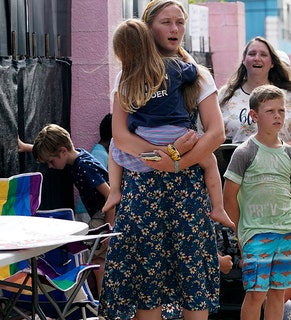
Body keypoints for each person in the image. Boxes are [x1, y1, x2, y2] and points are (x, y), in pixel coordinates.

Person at [99, 1, 230, 319]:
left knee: (193, 289)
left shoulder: (195, 74)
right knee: (148, 290)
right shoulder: (127, 76)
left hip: (187, 193)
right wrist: (162, 156)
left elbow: (216, 134)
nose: (175, 29)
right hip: (143, 193)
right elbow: (121, 136)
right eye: (167, 22)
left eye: (180, 23)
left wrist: (175, 163)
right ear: (147, 28)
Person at [100, 18, 233, 228]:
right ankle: (218, 207)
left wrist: (162, 151)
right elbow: (193, 70)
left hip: (144, 140)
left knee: (115, 148)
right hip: (178, 135)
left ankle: (114, 190)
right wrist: (184, 53)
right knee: (210, 162)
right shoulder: (172, 66)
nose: (174, 28)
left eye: (179, 22)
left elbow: (120, 135)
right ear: (149, 38)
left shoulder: (126, 79)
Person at [223, 85, 291, 320]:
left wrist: (287, 225)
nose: (278, 115)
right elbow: (229, 196)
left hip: (285, 233)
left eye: (281, 110)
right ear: (254, 115)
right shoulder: (244, 152)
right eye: (270, 111)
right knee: (256, 293)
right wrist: (240, 234)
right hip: (255, 234)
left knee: (279, 293)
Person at [23, 123, 114, 296]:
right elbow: (53, 148)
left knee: (82, 254)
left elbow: (111, 195)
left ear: (63, 151)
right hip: (100, 212)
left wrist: (109, 229)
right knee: (97, 259)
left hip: (103, 214)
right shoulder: (76, 155)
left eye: (50, 161)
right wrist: (27, 147)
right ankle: (103, 300)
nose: (50, 166)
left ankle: (88, 298)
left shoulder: (84, 166)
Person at [219, 36, 291, 152]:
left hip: (278, 167)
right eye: (252, 54)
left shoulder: (289, 97)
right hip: (236, 166)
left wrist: (278, 151)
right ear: (244, 60)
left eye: (263, 55)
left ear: (272, 63)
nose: (257, 58)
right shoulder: (225, 94)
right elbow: (209, 131)